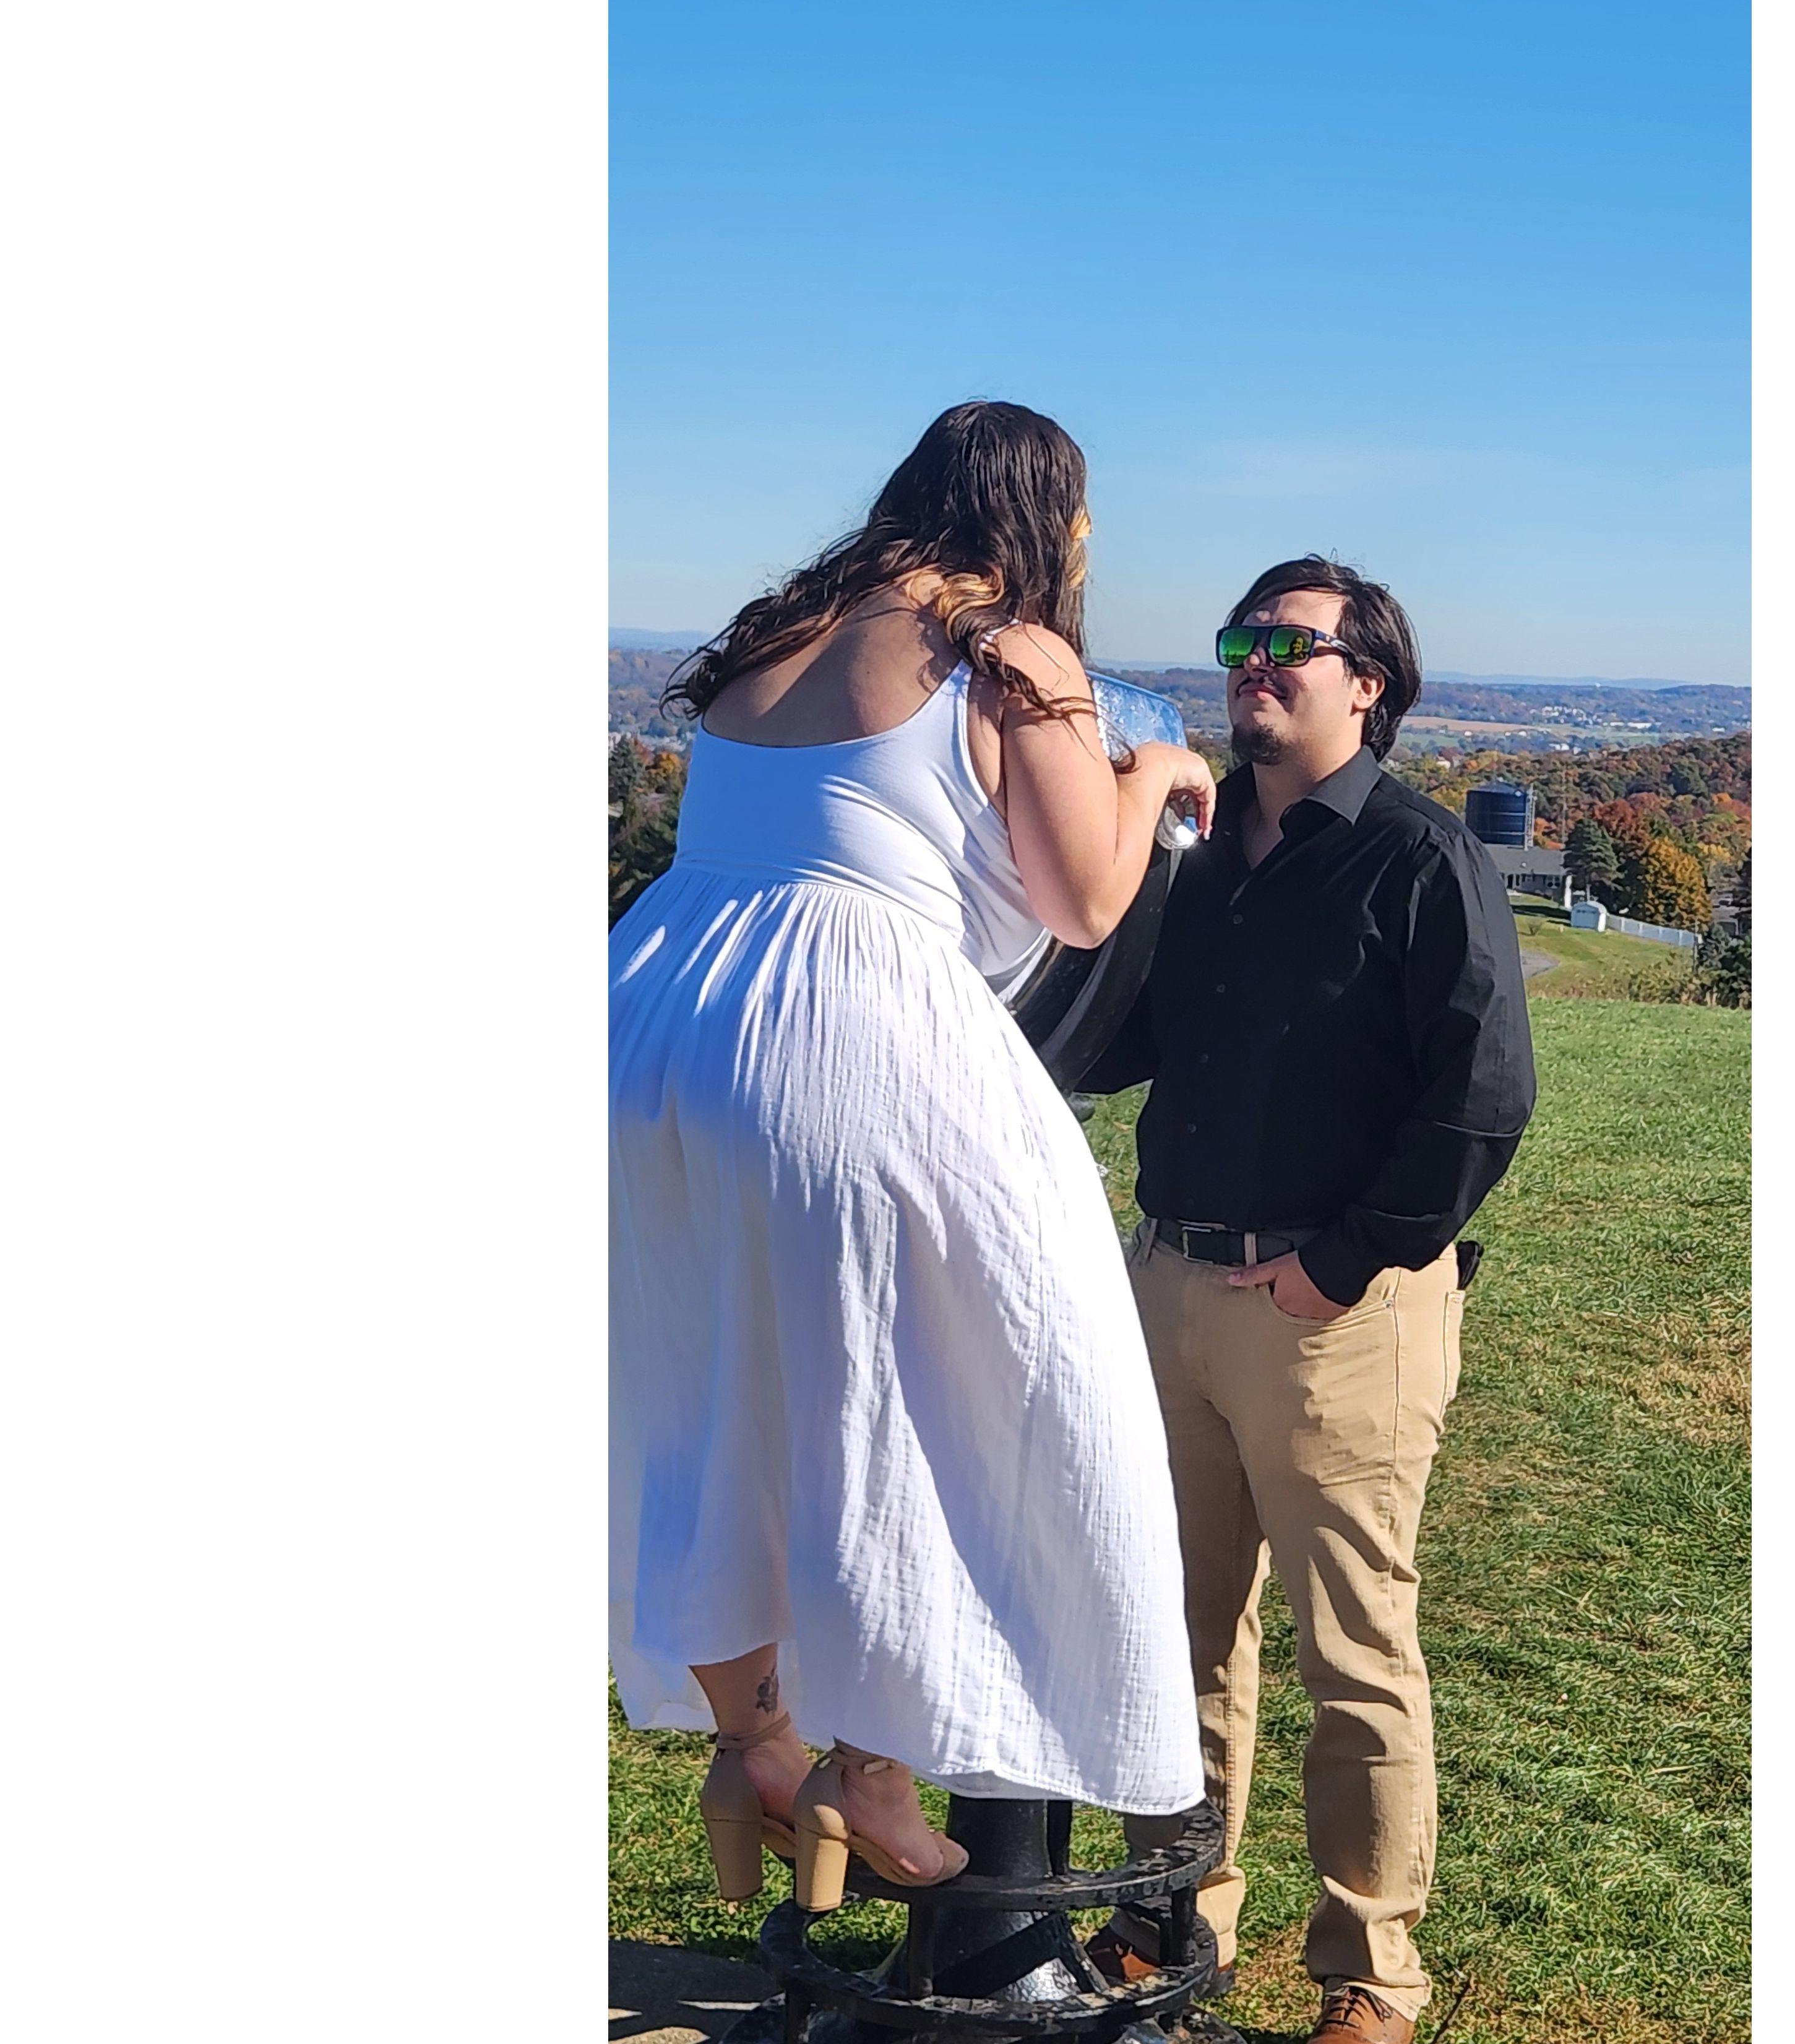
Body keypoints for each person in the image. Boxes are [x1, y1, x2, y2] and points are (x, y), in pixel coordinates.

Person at [609, 402, 1216, 1912]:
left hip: (645, 1022)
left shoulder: (770, 636)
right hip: (839, 1027)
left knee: (708, 1385)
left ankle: (755, 1740)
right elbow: (1082, 898)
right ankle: (872, 1763)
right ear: (1049, 521)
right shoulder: (1007, 650)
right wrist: (1152, 771)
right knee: (965, 1379)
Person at [1080, 557, 1537, 2044]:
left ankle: (1368, 1974)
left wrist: (1342, 1259)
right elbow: (1119, 1039)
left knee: (1355, 1650)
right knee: (1178, 1636)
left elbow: (1480, 1096)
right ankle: (1173, 1922)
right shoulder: (1203, 857)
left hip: (1340, 1309)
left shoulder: (1418, 856)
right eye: (1241, 640)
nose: (1254, 662)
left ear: (1367, 684)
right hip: (1174, 1286)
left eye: (1290, 642)